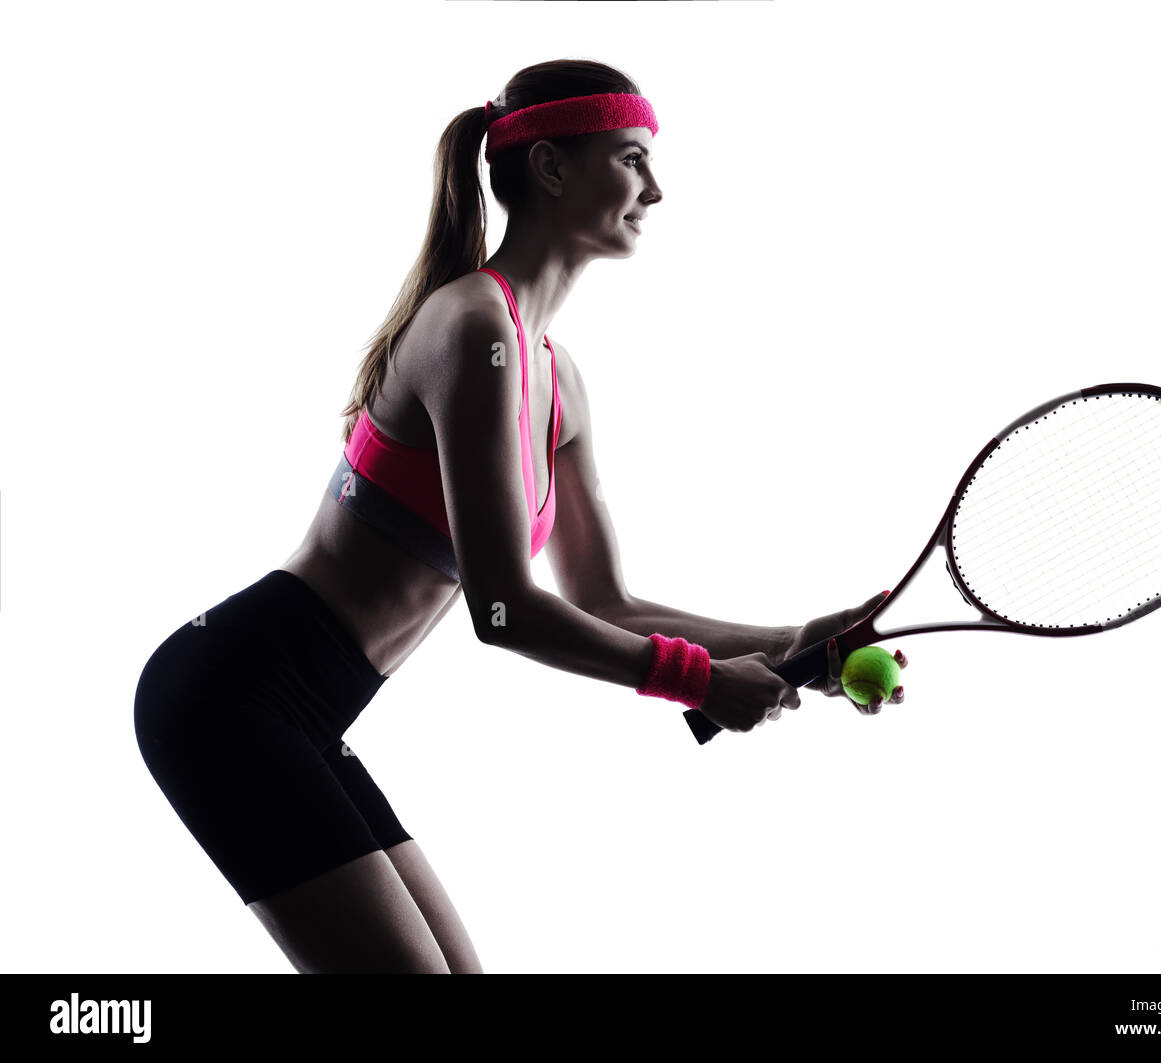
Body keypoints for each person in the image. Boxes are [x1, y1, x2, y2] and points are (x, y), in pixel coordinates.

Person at [133, 58, 898, 975]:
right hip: (230, 696)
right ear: (549, 169)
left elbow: (604, 602)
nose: (656, 188)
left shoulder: (558, 376)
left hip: (302, 712)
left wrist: (791, 639)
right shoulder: (471, 327)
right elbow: (502, 610)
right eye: (631, 158)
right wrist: (697, 682)